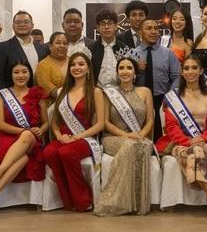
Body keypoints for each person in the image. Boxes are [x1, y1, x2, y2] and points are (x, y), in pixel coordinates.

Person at [157, 54, 207, 220]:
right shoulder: (173, 97)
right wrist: (188, 141)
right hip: (178, 143)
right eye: (187, 68)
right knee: (193, 152)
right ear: (182, 72)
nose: (190, 71)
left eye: (194, 68)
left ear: (201, 70)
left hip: (205, 141)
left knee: (197, 150)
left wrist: (203, 139)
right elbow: (171, 128)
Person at [0, 61, 49, 218]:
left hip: (32, 141)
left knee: (27, 136)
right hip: (6, 137)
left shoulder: (37, 94)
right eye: (16, 72)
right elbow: (1, 124)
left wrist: (40, 130)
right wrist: (24, 131)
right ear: (10, 75)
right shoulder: (1, 95)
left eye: (24, 72)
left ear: (30, 74)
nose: (20, 75)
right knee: (22, 159)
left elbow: (45, 123)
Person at [43, 52, 106, 212]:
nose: (76, 67)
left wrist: (77, 137)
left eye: (81, 64)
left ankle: (83, 200)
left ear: (88, 68)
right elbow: (55, 123)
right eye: (73, 64)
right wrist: (59, 136)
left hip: (85, 138)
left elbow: (100, 124)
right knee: (49, 152)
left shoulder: (96, 92)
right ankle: (67, 200)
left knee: (66, 153)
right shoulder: (62, 92)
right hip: (64, 138)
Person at [96, 56, 155, 216]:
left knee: (140, 145)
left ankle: (136, 203)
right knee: (130, 145)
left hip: (140, 137)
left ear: (135, 72)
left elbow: (150, 120)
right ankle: (116, 200)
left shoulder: (145, 92)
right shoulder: (109, 94)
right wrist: (126, 135)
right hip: (113, 138)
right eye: (121, 68)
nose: (125, 71)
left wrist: (141, 134)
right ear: (117, 73)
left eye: (129, 68)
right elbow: (105, 122)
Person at [133, 19, 180, 140]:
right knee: (141, 136)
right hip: (139, 102)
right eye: (149, 28)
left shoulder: (169, 54)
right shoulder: (132, 55)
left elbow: (177, 77)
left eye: (156, 28)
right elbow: (126, 80)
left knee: (161, 137)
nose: (153, 32)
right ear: (140, 32)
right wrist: (139, 72)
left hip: (162, 100)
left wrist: (169, 97)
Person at [0, 11, 50, 90]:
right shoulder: (3, 48)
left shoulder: (43, 48)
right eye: (18, 22)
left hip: (39, 94)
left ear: (32, 25)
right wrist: (5, 96)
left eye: (26, 22)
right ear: (13, 26)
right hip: (14, 95)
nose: (22, 25)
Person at [90, 9, 129, 89]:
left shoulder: (125, 49)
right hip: (97, 92)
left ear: (116, 26)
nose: (106, 27)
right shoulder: (90, 49)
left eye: (110, 23)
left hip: (121, 92)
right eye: (103, 24)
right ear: (98, 27)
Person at [36, 32, 69, 99]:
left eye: (65, 43)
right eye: (58, 43)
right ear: (50, 46)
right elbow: (48, 88)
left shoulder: (73, 62)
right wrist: (69, 99)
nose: (62, 46)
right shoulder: (43, 65)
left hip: (76, 101)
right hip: (53, 103)